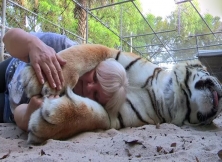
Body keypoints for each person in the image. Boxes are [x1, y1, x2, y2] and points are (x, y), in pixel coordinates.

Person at [0, 28, 128, 131]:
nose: (89, 87)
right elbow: (8, 37)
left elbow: (19, 113)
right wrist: (32, 44)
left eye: (95, 94)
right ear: (95, 63)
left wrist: (29, 115)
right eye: (95, 77)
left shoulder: (72, 110)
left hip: (7, 108)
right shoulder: (66, 47)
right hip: (11, 69)